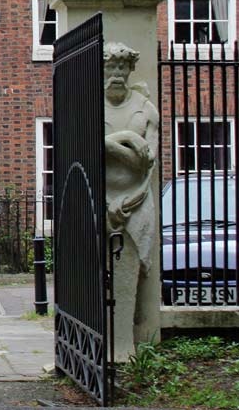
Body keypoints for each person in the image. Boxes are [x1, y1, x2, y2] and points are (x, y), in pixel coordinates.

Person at [103, 41, 159, 358]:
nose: (117, 75)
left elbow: (145, 164)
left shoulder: (143, 108)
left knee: (126, 277)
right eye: (111, 68)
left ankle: (123, 347)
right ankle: (92, 343)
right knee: (92, 274)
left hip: (134, 205)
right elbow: (85, 151)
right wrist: (126, 138)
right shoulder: (89, 106)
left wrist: (128, 201)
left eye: (122, 68)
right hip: (97, 200)